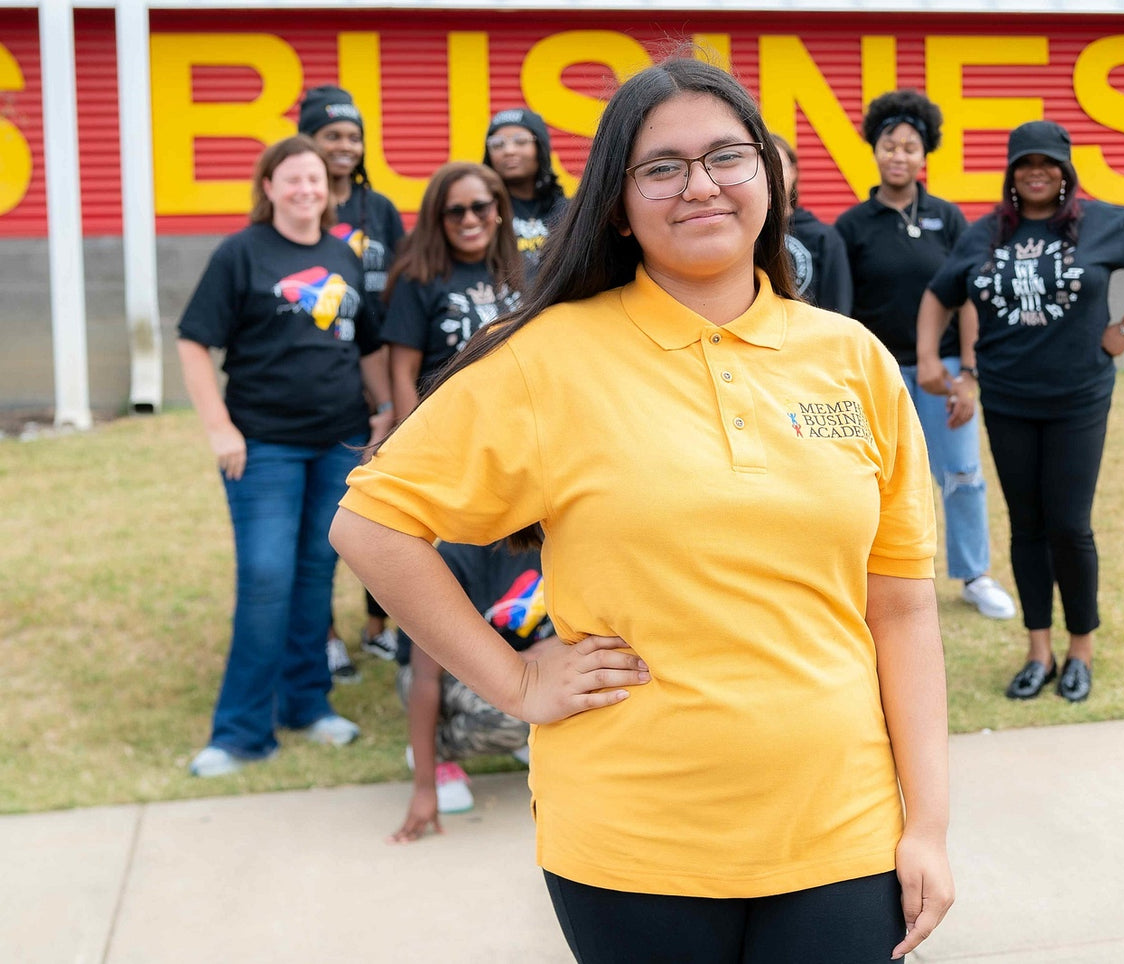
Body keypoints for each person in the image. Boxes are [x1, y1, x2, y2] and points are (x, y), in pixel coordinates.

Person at [332, 56, 952, 963]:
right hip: (634, 841)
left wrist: (927, 824)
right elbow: (371, 524)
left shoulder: (851, 359)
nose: (699, 185)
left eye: (726, 157)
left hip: (843, 827)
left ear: (768, 181)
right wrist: (512, 682)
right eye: (660, 167)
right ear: (617, 205)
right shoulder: (546, 357)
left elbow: (900, 610)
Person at [918, 119, 1124, 702]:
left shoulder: (1102, 223)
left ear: (1065, 171)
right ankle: (1038, 649)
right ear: (1012, 174)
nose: (1036, 172)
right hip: (1010, 399)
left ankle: (1080, 649)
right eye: (1024, 163)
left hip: (1078, 398)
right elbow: (941, 292)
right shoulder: (987, 233)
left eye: (1048, 162)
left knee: (1069, 524)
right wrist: (928, 361)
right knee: (1028, 526)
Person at [176, 135, 392, 778]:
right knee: (267, 578)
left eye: (316, 181)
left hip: (338, 442)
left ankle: (307, 705)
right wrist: (220, 429)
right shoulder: (240, 254)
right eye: (291, 179)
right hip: (263, 446)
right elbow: (193, 343)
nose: (306, 190)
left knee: (314, 576)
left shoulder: (343, 256)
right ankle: (240, 731)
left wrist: (382, 411)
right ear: (268, 187)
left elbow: (369, 345)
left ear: (329, 191)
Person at [834, 89, 1016, 622]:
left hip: (945, 373)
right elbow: (843, 310)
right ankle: (869, 579)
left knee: (961, 472)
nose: (899, 155)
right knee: (871, 482)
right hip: (877, 376)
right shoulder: (852, 226)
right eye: (890, 145)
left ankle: (975, 575)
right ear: (875, 149)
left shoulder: (949, 218)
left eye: (910, 147)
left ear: (924, 155)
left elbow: (970, 299)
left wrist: (970, 373)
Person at [297, 84, 408, 675]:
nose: (344, 146)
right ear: (306, 142)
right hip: (328, 378)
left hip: (381, 371)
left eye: (353, 136)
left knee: (382, 511)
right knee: (321, 523)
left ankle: (377, 627)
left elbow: (404, 284)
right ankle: (326, 636)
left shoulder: (382, 211)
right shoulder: (300, 208)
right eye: (331, 135)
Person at [389, 540, 554, 843]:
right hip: (439, 671)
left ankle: (527, 733)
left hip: (518, 665)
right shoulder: (456, 558)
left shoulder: (562, 542)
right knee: (510, 719)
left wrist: (548, 651)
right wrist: (425, 789)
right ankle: (433, 751)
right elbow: (425, 676)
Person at [383, 161, 524, 423]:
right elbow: (403, 373)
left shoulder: (520, 270)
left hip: (514, 423)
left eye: (479, 207)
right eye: (455, 212)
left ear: (498, 208)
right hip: (446, 428)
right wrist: (407, 438)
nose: (469, 219)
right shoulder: (417, 278)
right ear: (438, 219)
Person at [482, 107, 569, 281]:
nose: (509, 151)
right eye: (497, 144)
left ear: (540, 148)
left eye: (520, 141)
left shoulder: (570, 211)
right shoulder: (480, 213)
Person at [770, 133, 851, 314]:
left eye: (777, 165)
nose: (772, 174)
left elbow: (838, 310)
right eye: (765, 166)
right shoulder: (744, 234)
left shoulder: (824, 238)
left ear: (793, 171)